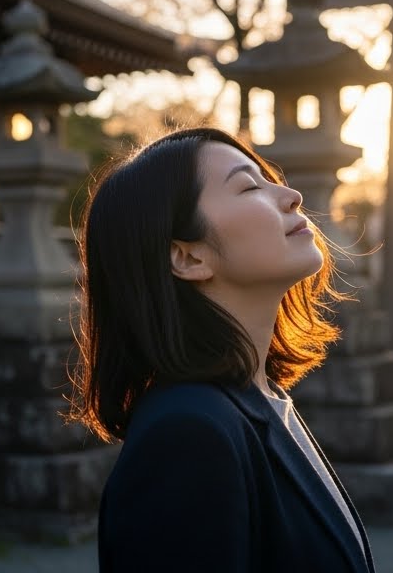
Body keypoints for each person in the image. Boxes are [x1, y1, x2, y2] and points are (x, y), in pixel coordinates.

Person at [69, 127, 374, 572]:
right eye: (250, 186)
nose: (290, 195)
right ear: (189, 258)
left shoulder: (261, 400)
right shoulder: (187, 434)